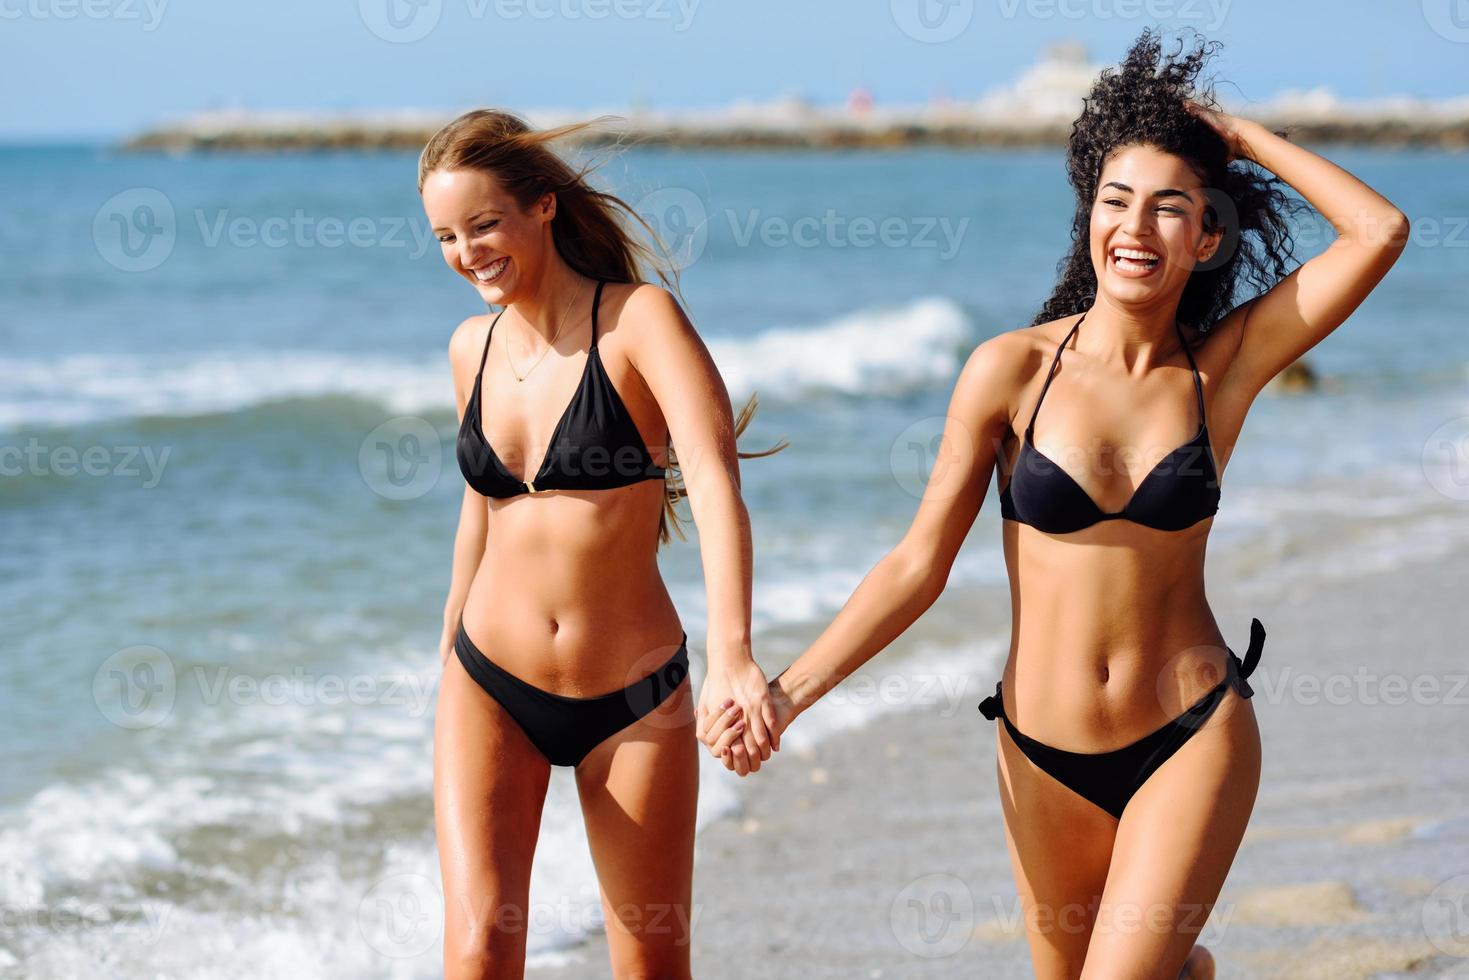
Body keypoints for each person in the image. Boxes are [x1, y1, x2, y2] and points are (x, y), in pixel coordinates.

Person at [700, 31, 1407, 979]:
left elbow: (1379, 232)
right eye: (1115, 200)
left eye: (1169, 208)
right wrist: (784, 695)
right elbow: (918, 564)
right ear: (1087, 217)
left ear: (1205, 238)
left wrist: (1234, 135)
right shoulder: (1009, 371)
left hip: (1190, 733)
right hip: (1039, 753)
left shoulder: (1220, 371)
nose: (1135, 227)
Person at [422, 108, 785, 979]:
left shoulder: (639, 322)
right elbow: (482, 510)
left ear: (542, 207)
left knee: (652, 957)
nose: (467, 252)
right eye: (444, 235)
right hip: (488, 683)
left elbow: (714, 483)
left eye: (483, 225)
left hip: (632, 694)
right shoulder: (470, 347)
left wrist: (734, 656)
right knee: (477, 949)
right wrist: (445, 654)